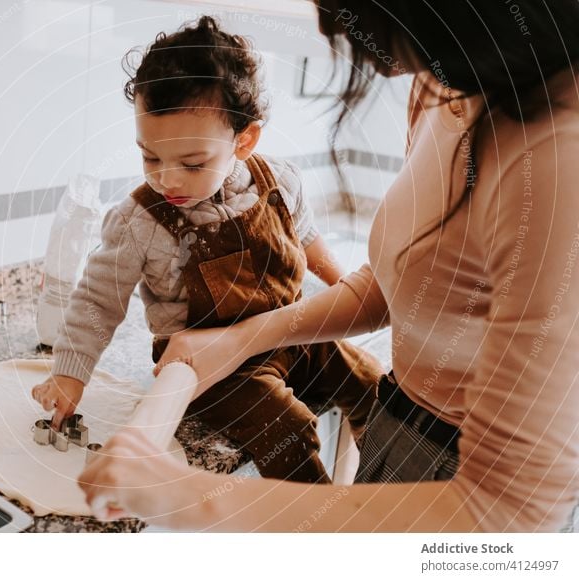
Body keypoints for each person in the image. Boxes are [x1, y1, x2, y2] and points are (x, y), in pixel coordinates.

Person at [78, 0, 579, 532]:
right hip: (401, 430)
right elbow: (408, 280)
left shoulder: (557, 153)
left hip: (450, 476)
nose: (329, 22)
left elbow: (505, 515)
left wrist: (180, 496)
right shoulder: (442, 86)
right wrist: (241, 339)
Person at [31, 16, 384, 484]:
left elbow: (305, 236)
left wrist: (343, 286)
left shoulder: (279, 181)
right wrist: (70, 374)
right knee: (288, 426)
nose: (167, 178)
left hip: (288, 336)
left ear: (244, 140)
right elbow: (97, 300)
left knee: (372, 384)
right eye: (150, 156)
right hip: (210, 370)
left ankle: (377, 498)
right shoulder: (140, 221)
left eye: (192, 162)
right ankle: (311, 524)